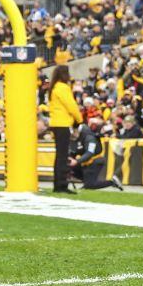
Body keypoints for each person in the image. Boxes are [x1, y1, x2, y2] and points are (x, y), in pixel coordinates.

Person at [48, 65, 83, 194]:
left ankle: (58, 184)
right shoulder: (63, 88)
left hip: (56, 123)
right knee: (63, 156)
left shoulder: (54, 88)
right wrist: (79, 120)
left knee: (59, 155)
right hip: (63, 124)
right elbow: (71, 105)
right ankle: (62, 185)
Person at [71, 117, 124, 190]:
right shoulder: (77, 137)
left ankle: (112, 182)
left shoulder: (89, 137)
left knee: (90, 185)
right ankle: (87, 183)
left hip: (95, 161)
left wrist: (77, 161)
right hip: (85, 161)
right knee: (70, 167)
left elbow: (90, 153)